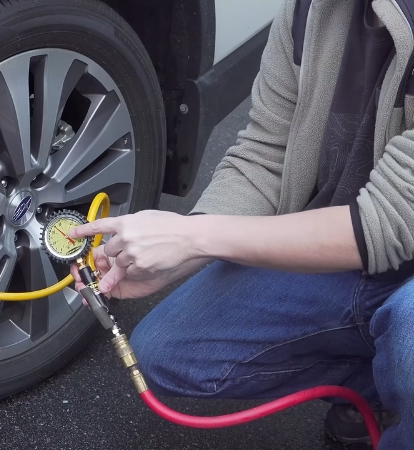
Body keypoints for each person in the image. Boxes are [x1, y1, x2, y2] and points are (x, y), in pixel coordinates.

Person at [69, 0, 413, 448]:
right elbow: (265, 153)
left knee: (409, 336)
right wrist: (177, 256)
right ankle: (385, 386)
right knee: (169, 353)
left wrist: (190, 237)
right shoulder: (310, 10)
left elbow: (386, 222)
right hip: (336, 259)